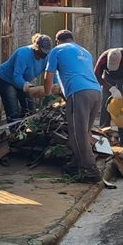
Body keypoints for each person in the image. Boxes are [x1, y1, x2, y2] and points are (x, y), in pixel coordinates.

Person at [41, 30, 103, 183]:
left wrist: (47, 92)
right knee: (84, 131)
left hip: (79, 92)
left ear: (57, 41)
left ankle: (91, 171)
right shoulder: (85, 52)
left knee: (77, 133)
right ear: (72, 39)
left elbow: (49, 75)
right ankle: (76, 163)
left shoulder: (57, 50)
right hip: (96, 93)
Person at [0, 34, 52, 123]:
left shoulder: (46, 57)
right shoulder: (23, 53)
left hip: (23, 81)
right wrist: (27, 86)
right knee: (13, 110)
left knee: (29, 109)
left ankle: (25, 131)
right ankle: (15, 133)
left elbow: (50, 74)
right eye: (42, 52)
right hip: (6, 79)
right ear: (36, 48)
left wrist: (53, 87)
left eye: (46, 53)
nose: (44, 55)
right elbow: (17, 76)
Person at [94, 47, 123, 144]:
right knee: (106, 105)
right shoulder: (103, 59)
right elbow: (97, 75)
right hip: (108, 78)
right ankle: (104, 133)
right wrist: (110, 88)